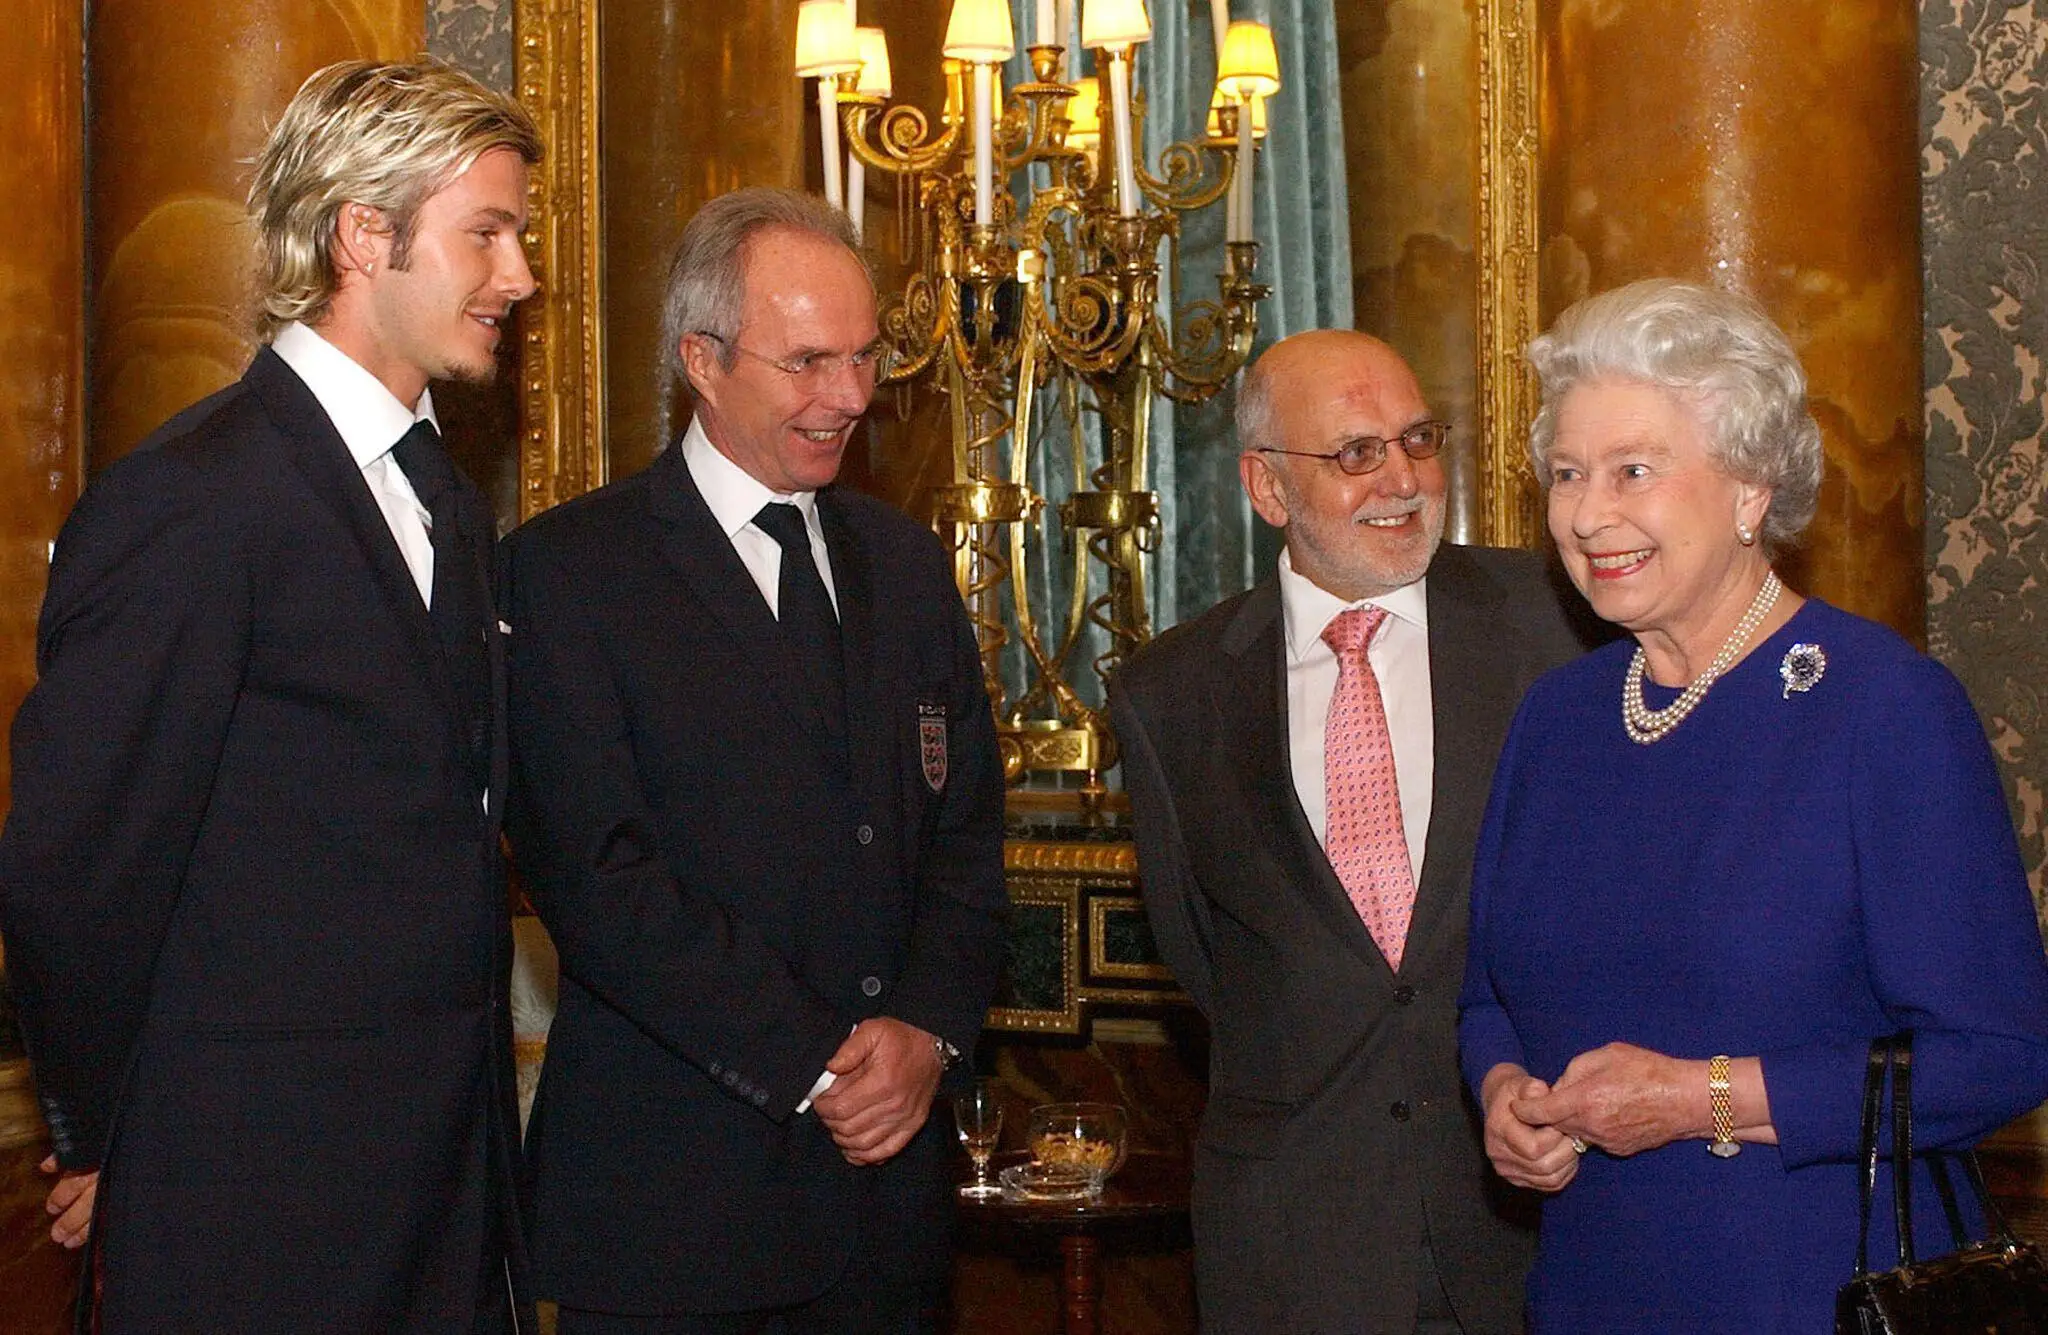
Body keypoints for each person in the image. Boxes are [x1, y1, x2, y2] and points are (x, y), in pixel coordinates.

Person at [0, 59, 541, 1331]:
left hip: (440, 1191)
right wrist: (105, 1130)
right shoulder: (192, 501)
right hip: (250, 1199)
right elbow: (75, 867)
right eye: (487, 233)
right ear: (365, 234)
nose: (518, 276)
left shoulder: (445, 505)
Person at [1458, 277, 2048, 1332]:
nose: (1587, 514)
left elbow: (2000, 1055)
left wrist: (1696, 1099)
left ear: (1747, 490)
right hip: (1588, 1290)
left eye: (1631, 470)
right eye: (1564, 474)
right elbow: (1485, 992)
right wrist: (1502, 1090)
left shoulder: (1882, 708)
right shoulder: (1555, 718)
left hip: (1811, 1286)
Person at [500, 186, 1008, 1334]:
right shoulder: (569, 574)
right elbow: (600, 879)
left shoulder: (905, 563)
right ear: (701, 359)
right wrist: (821, 1063)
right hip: (675, 1211)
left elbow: (966, 834)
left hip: (890, 1212)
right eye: (808, 361)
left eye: (866, 357)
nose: (848, 397)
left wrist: (926, 1032)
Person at [1109, 329, 1605, 1333]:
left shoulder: (1556, 628)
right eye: (1354, 453)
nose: (1402, 479)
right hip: (1293, 1248)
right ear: (1265, 487)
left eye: (1416, 439)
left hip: (1539, 1222)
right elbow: (1209, 965)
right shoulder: (1171, 695)